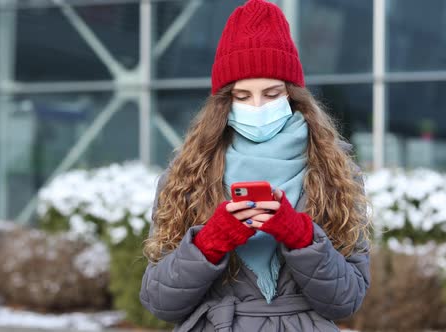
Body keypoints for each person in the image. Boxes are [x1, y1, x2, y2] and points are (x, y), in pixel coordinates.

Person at [140, 1, 371, 331]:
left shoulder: (336, 173)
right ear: (224, 100)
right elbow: (159, 301)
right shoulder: (186, 175)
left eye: (272, 92)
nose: (258, 106)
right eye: (242, 96)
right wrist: (209, 244)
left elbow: (346, 299)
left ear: (292, 95)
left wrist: (302, 237)